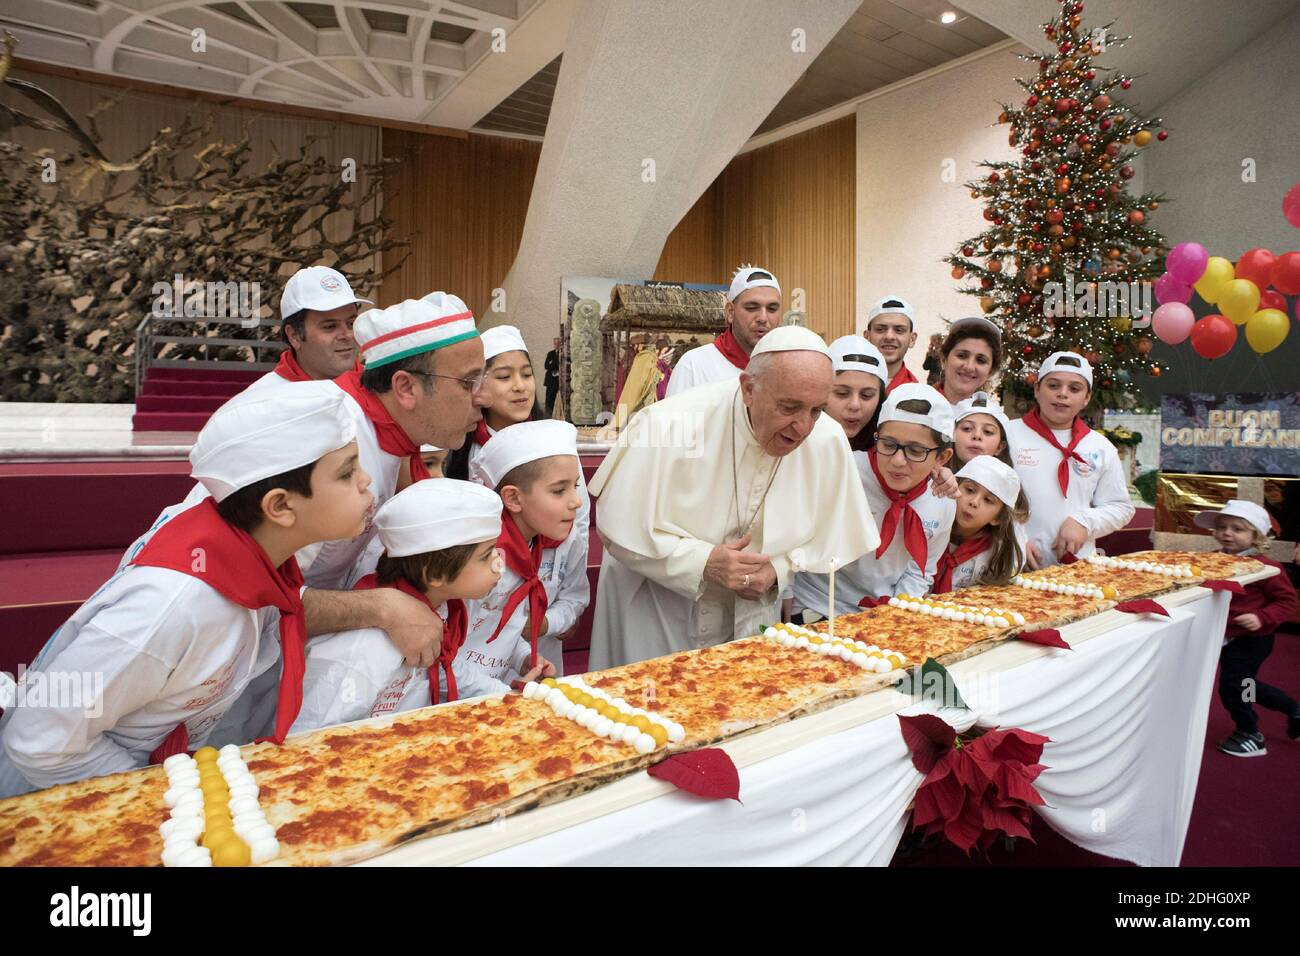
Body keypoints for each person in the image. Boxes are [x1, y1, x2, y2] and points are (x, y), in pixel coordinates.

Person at [0, 383, 373, 796]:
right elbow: (38, 742)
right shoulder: (173, 607)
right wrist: (163, 799)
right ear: (280, 507)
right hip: (57, 805)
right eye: (346, 472)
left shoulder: (256, 563)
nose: (366, 481)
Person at [121, 292, 492, 681]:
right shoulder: (321, 439)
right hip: (191, 665)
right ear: (405, 388)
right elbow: (246, 592)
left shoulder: (387, 437)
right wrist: (383, 608)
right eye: (469, 382)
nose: (483, 397)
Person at [589, 326, 879, 667]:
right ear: (748, 389)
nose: (803, 428)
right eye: (789, 407)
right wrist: (701, 562)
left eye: (816, 410)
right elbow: (617, 527)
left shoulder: (826, 438)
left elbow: (832, 535)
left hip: (750, 615)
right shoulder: (669, 424)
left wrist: (778, 569)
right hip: (658, 613)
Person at [290, 479, 504, 732]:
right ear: (434, 573)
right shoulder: (365, 647)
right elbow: (314, 734)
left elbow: (446, 666)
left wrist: (509, 696)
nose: (499, 564)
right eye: (485, 555)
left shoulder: (440, 608)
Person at [792, 383, 955, 616]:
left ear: (942, 457)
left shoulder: (943, 499)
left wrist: (897, 612)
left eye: (916, 451)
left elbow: (920, 570)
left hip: (883, 612)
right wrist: (787, 591)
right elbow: (797, 532)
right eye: (888, 445)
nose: (898, 461)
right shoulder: (846, 470)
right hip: (816, 602)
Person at [459, 420, 585, 694]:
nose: (577, 501)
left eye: (575, 486)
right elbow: (446, 655)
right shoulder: (477, 561)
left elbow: (503, 631)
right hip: (461, 701)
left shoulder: (541, 543)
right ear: (513, 499)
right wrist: (503, 693)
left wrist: (525, 657)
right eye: (559, 490)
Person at [1007, 352, 1134, 568]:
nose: (1062, 394)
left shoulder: (1101, 448)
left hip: (1077, 570)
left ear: (1086, 398)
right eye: (1053, 385)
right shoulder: (1007, 435)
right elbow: (984, 495)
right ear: (1037, 389)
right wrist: (1010, 537)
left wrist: (1084, 522)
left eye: (1074, 388)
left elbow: (1121, 507)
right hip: (1011, 566)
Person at [1194, 501, 1300, 757]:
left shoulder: (1267, 568)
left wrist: (1261, 616)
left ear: (1256, 536)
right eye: (1222, 527)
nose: (1227, 533)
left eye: (1237, 529)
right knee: (1246, 684)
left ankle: (1250, 732)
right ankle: (1293, 708)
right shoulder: (1215, 560)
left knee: (1234, 686)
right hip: (1225, 636)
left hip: (1253, 639)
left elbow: (1288, 601)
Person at [246, 266, 371, 396]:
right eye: (330, 326)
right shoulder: (263, 403)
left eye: (351, 324)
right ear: (294, 336)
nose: (347, 335)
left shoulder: (383, 391)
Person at [664, 266, 780, 396]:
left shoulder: (786, 368)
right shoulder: (694, 366)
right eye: (752, 308)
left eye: (772, 309)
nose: (763, 318)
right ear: (730, 312)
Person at [933, 456, 1028, 593]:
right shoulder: (928, 529)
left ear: (998, 518)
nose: (974, 502)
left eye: (988, 500)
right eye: (970, 490)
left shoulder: (997, 554)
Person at [825, 334, 889, 453]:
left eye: (866, 396)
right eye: (842, 393)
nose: (854, 405)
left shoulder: (886, 456)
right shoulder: (795, 446)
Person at [934, 316, 1002, 404]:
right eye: (962, 356)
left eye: (981, 360)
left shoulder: (994, 416)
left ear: (991, 371)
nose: (969, 367)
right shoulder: (913, 406)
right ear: (944, 360)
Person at [863, 296, 918, 390]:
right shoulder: (844, 382)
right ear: (867, 337)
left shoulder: (917, 393)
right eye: (880, 329)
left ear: (912, 339)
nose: (889, 337)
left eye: (899, 330)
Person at [951, 391, 1014, 469]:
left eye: (988, 431)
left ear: (1000, 447)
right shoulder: (932, 478)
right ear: (952, 436)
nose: (977, 435)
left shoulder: (1009, 481)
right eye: (967, 428)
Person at [544, 338, 560, 416]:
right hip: (551, 379)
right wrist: (554, 363)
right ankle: (548, 413)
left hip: (559, 380)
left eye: (558, 344)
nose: (556, 345)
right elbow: (546, 366)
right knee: (549, 397)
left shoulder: (563, 353)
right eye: (555, 344)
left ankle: (557, 414)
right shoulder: (550, 354)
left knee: (557, 397)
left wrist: (552, 363)